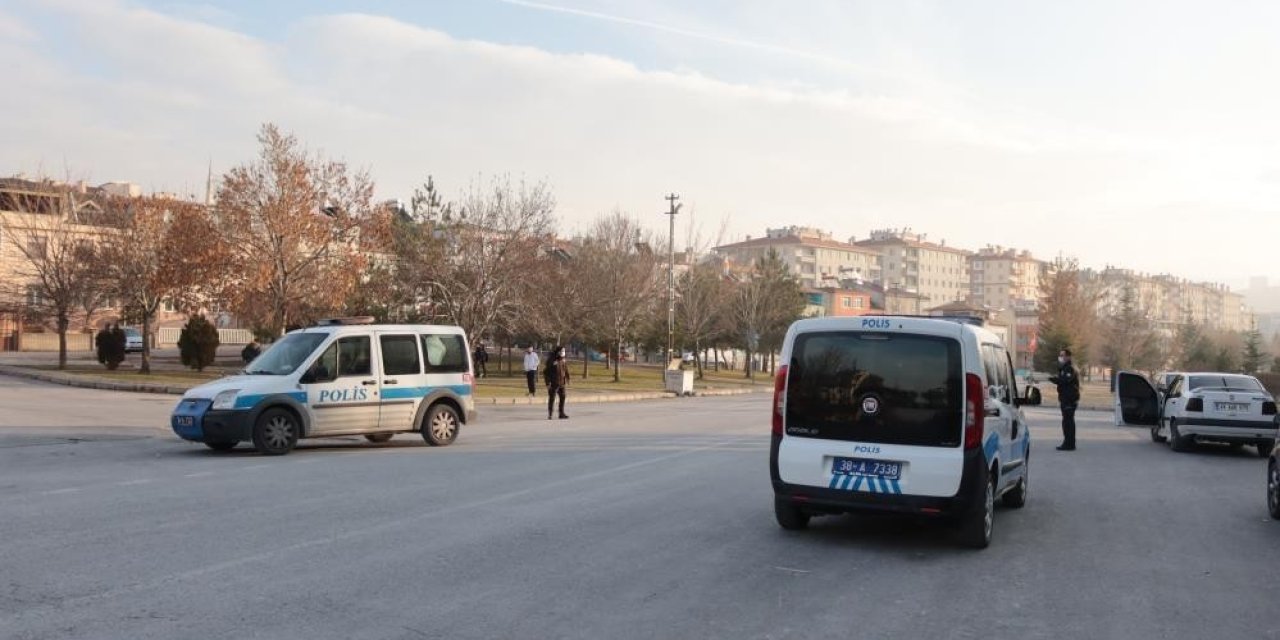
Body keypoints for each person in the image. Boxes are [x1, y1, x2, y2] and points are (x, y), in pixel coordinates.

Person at [1048, 348, 1081, 451]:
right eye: (1060, 355)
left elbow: (1065, 381)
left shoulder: (1070, 368)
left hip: (1069, 399)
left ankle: (1069, 444)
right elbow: (1062, 379)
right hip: (1065, 398)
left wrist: (1053, 379)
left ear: (1068, 357)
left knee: (1068, 422)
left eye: (1062, 355)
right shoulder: (1065, 368)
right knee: (1066, 421)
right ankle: (1068, 442)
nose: (1060, 357)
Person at [544, 346, 569, 420]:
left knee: (563, 397)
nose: (563, 352)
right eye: (562, 351)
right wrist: (547, 383)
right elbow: (546, 372)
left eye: (564, 351)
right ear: (558, 352)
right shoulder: (552, 360)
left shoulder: (563, 360)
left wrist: (567, 378)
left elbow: (565, 369)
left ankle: (561, 413)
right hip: (553, 383)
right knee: (552, 398)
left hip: (562, 383)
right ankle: (550, 414)